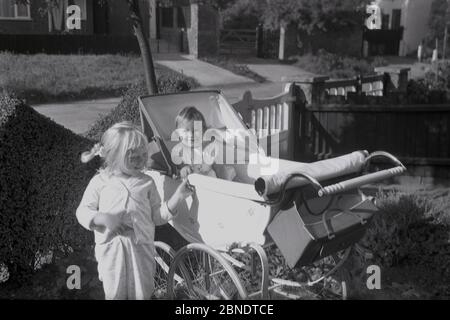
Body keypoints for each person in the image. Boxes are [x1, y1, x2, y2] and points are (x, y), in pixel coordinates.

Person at [76, 121, 192, 300]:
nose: (141, 161)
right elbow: (82, 211)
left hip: (142, 250)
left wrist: (177, 197)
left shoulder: (147, 182)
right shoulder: (101, 182)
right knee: (116, 294)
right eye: (133, 157)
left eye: (144, 155)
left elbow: (156, 217)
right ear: (114, 157)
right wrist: (103, 218)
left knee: (142, 293)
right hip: (112, 251)